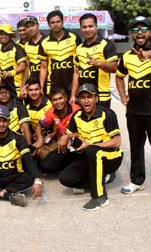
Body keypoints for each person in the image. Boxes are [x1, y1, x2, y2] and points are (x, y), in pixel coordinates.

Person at [116, 16, 151, 203]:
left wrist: (147, 55)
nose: (140, 33)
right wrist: (123, 96)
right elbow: (119, 76)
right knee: (136, 149)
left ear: (150, 32)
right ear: (132, 33)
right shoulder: (126, 56)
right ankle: (137, 181)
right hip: (133, 112)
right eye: (136, 29)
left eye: (144, 29)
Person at [59, 83, 123, 211]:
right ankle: (101, 178)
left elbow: (116, 141)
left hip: (111, 156)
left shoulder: (107, 114)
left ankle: (100, 197)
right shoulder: (77, 115)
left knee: (93, 151)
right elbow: (76, 132)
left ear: (96, 99)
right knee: (65, 178)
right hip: (89, 156)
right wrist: (66, 136)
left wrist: (91, 145)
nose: (86, 100)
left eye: (89, 97)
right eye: (82, 97)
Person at [72, 13, 118, 107]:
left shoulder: (106, 44)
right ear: (81, 29)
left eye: (90, 26)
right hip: (82, 96)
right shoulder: (79, 48)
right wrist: (73, 95)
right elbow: (76, 73)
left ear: (96, 26)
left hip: (101, 97)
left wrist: (99, 63)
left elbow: (114, 68)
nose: (87, 29)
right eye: (84, 27)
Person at [33, 87, 80, 174]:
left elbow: (86, 132)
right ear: (51, 102)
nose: (58, 102)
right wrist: (40, 139)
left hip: (77, 145)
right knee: (43, 161)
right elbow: (38, 125)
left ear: (66, 98)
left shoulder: (77, 110)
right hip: (62, 146)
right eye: (55, 100)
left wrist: (68, 136)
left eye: (60, 98)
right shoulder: (51, 112)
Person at [39, 10, 82, 97]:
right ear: (48, 24)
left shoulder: (74, 37)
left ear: (62, 22)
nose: (55, 24)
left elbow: (81, 60)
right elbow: (43, 68)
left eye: (58, 21)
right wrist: (41, 86)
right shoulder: (44, 42)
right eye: (52, 22)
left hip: (72, 85)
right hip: (54, 85)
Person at [0, 24, 27, 98]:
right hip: (4, 87)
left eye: (5, 34)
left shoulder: (17, 48)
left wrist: (11, 73)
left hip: (16, 87)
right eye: (1, 34)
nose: (2, 36)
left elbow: (23, 66)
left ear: (10, 36)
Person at [23, 16, 47, 93]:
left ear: (38, 25)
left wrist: (42, 86)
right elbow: (27, 67)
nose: (30, 29)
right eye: (28, 27)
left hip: (48, 82)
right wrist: (23, 85)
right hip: (33, 84)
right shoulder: (26, 45)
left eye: (32, 25)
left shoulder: (47, 41)